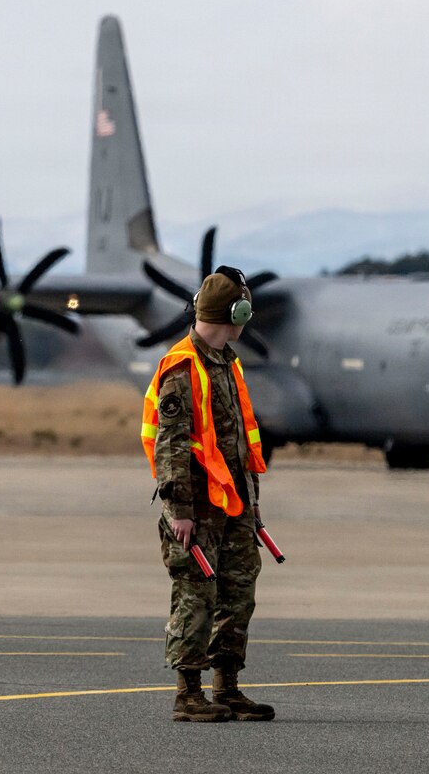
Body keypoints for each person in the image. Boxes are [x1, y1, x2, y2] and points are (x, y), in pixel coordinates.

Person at [139, 266, 274, 723]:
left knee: (238, 594)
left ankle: (227, 687)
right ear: (235, 312)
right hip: (197, 507)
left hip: (232, 503)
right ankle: (188, 693)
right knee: (195, 596)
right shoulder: (182, 367)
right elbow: (172, 446)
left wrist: (251, 507)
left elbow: (236, 443)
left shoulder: (226, 363)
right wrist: (180, 511)